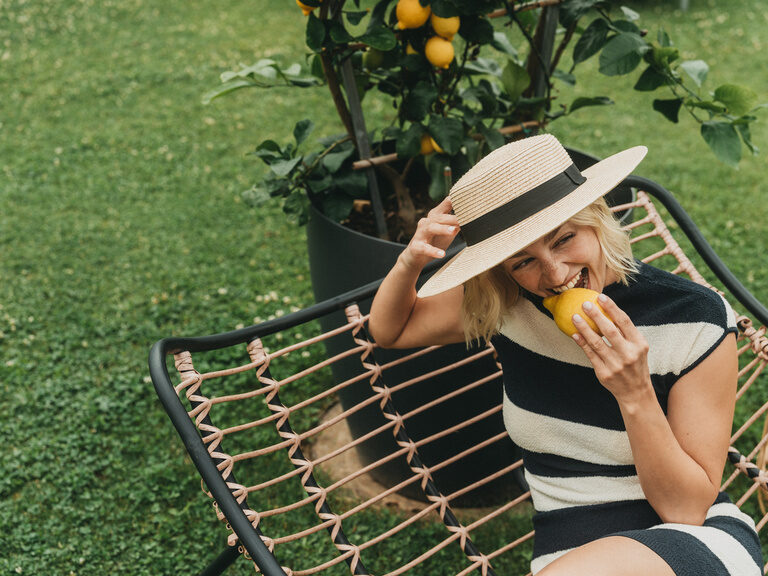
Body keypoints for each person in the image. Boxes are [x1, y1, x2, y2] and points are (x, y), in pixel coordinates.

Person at [368, 134, 764, 576]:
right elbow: (391, 330)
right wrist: (411, 261)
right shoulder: (511, 305)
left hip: (691, 542)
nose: (554, 275)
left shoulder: (694, 320)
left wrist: (634, 392)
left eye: (564, 239)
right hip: (567, 553)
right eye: (523, 261)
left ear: (597, 217)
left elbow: (686, 509)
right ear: (504, 270)